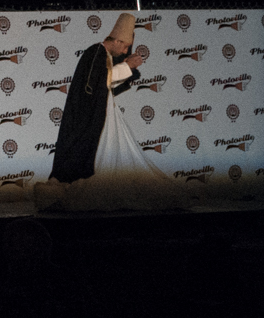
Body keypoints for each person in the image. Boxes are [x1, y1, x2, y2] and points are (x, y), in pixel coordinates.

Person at [39, 11, 172, 210]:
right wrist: (127, 66)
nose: (125, 50)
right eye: (125, 46)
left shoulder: (103, 57)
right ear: (117, 41)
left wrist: (128, 70)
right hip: (89, 118)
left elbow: (105, 83)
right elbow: (97, 82)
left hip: (101, 115)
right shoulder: (95, 53)